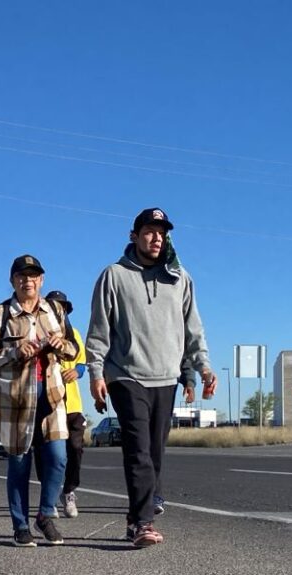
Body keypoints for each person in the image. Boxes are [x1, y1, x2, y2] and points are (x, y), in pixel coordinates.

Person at [85, 208, 215, 548]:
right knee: (138, 449)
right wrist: (96, 372)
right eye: (149, 231)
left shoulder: (179, 278)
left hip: (166, 377)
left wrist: (201, 368)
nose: (156, 238)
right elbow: (98, 330)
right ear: (134, 236)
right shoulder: (114, 276)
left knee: (155, 452)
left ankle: (135, 518)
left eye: (161, 232)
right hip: (125, 375)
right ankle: (144, 523)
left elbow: (193, 329)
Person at [0, 254, 78, 547]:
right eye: (21, 276)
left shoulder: (55, 310)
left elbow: (73, 348)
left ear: (41, 280)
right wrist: (13, 352)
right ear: (12, 280)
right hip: (16, 399)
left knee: (58, 458)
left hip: (51, 395)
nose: (27, 281)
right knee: (19, 463)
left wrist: (62, 345)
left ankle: (45, 515)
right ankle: (20, 526)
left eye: (33, 276)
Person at [43, 290, 86, 518]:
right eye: (54, 307)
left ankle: (69, 491)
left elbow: (82, 363)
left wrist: (76, 372)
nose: (59, 311)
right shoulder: (40, 332)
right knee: (49, 453)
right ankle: (48, 497)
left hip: (72, 404)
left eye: (63, 308)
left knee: (75, 449)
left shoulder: (74, 334)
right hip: (49, 403)